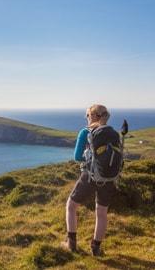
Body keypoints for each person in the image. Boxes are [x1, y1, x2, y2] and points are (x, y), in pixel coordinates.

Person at [63, 104, 117, 256]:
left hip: (90, 175)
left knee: (71, 206)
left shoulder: (86, 132)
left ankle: (71, 244)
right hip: (109, 178)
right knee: (102, 213)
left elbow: (77, 157)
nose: (86, 118)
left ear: (93, 116)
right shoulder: (112, 133)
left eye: (87, 115)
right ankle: (96, 248)